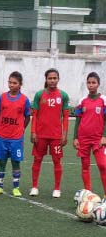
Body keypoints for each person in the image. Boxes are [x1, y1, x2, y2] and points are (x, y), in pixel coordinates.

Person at [30, 68, 70, 198]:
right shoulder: (39, 95)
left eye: (55, 78)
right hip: (40, 135)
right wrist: (33, 132)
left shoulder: (63, 95)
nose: (52, 81)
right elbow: (34, 115)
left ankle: (57, 188)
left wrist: (64, 134)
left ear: (58, 79)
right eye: (50, 78)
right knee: (37, 159)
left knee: (57, 161)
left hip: (56, 136)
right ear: (46, 80)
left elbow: (65, 117)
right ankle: (34, 187)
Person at [0, 71, 30, 197]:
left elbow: (27, 116)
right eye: (10, 82)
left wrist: (22, 128)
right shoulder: (1, 98)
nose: (11, 85)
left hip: (16, 138)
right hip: (2, 136)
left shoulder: (24, 100)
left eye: (14, 83)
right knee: (1, 161)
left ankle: (16, 187)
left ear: (20, 85)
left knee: (15, 162)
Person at [73, 72, 106, 198]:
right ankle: (89, 195)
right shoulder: (82, 101)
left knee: (103, 165)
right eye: (89, 82)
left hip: (98, 139)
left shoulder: (103, 100)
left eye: (94, 83)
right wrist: (75, 138)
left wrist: (104, 136)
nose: (91, 85)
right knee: (85, 167)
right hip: (83, 138)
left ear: (98, 84)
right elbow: (77, 120)